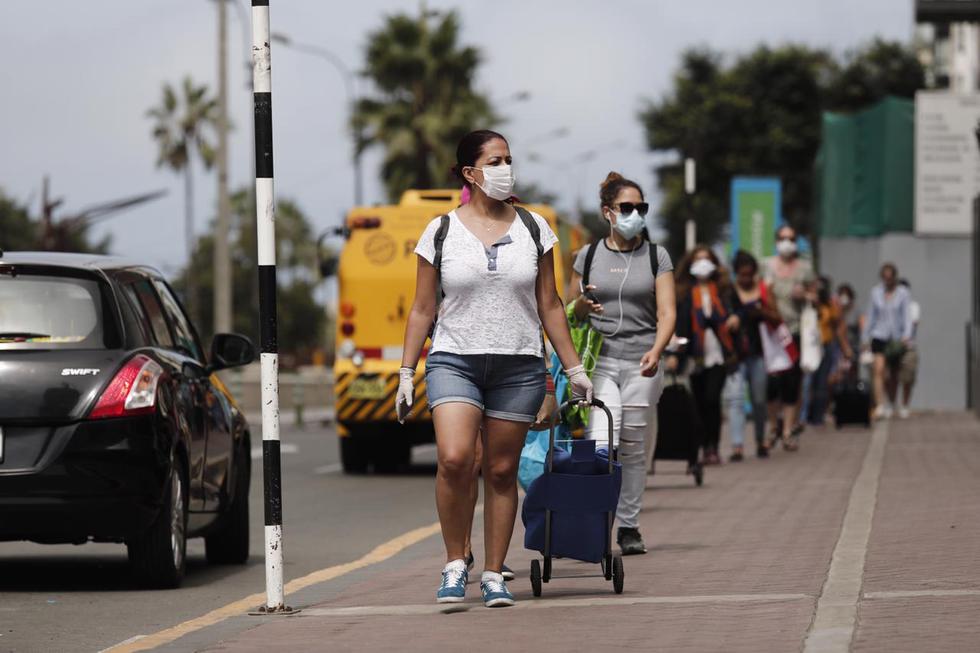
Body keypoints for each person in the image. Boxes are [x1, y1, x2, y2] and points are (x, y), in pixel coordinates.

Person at [396, 130, 592, 608]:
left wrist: (574, 369)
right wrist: (404, 372)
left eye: (508, 159)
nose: (506, 168)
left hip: (518, 365)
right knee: (455, 459)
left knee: (502, 471)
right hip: (454, 360)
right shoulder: (440, 230)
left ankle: (493, 573)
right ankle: (454, 562)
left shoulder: (535, 228)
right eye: (495, 161)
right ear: (471, 173)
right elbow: (422, 308)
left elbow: (550, 304)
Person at [568, 171, 676, 556]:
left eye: (641, 207)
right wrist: (582, 306)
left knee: (632, 446)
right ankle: (597, 521)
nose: (635, 214)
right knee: (601, 442)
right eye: (626, 207)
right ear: (608, 212)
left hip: (642, 363)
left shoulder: (656, 256)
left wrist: (657, 350)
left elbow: (667, 312)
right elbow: (568, 311)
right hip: (600, 361)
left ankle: (628, 526)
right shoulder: (588, 256)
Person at [670, 246, 737, 466]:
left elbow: (736, 312)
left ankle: (712, 447)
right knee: (698, 403)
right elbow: (678, 324)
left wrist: (734, 319)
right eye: (698, 260)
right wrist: (675, 353)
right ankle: (701, 445)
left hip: (719, 353)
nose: (702, 264)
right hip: (694, 355)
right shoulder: (683, 293)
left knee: (712, 399)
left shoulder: (724, 290)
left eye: (706, 259)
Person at [726, 250, 781, 460]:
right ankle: (737, 446)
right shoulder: (729, 293)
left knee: (759, 400)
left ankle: (760, 440)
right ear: (736, 273)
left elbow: (777, 317)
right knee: (736, 399)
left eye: (750, 274)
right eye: (742, 275)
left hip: (758, 353)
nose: (747, 279)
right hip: (736, 355)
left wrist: (761, 311)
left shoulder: (763, 290)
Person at [763, 225, 814, 451]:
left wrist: (806, 295)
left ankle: (787, 430)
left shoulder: (804, 268)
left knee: (792, 381)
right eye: (783, 238)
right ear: (776, 241)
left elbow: (816, 295)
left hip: (794, 331)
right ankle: (773, 426)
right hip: (770, 332)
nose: (787, 242)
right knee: (772, 383)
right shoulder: (766, 265)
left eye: (791, 239)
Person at [861, 263, 913, 420]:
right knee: (878, 370)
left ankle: (892, 402)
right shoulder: (876, 292)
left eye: (890, 278)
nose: (887, 281)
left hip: (896, 338)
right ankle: (880, 404)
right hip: (879, 335)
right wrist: (865, 337)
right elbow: (871, 315)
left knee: (893, 374)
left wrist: (907, 334)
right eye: (885, 278)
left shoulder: (903, 293)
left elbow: (907, 315)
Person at [801, 276, 846, 426]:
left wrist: (843, 348)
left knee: (822, 383)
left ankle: (817, 417)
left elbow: (837, 322)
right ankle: (803, 416)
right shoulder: (805, 303)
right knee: (807, 383)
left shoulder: (829, 304)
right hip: (808, 347)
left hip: (825, 345)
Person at [895, 278, 920, 419]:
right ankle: (891, 404)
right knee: (891, 377)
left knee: (907, 378)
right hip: (891, 345)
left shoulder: (913, 306)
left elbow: (913, 323)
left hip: (908, 346)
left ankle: (904, 405)